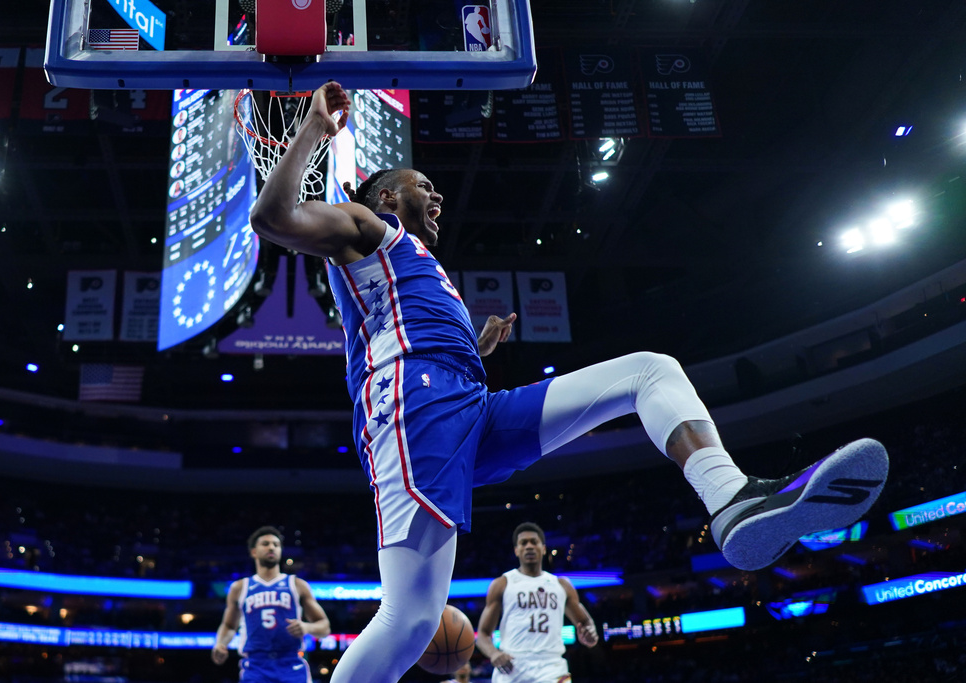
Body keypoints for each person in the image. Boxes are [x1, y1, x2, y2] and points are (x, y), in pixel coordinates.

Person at [247, 81, 889, 683]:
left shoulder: (421, 266)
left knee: (649, 371)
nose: (437, 197)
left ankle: (732, 500)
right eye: (424, 186)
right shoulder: (366, 229)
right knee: (411, 618)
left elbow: (412, 335)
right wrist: (312, 129)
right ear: (386, 198)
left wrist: (475, 347)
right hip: (416, 411)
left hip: (468, 406)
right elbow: (272, 219)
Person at [476, 523, 598, 683]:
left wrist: (590, 635)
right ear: (516, 550)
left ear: (544, 548)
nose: (529, 546)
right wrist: (494, 654)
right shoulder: (503, 583)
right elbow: (482, 635)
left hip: (552, 668)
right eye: (523, 543)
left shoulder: (562, 585)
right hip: (513, 667)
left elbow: (586, 623)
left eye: (534, 542)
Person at [211, 526, 331, 683]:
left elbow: (324, 626)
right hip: (255, 665)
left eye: (276, 544)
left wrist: (306, 627)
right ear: (253, 551)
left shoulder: (297, 584)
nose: (271, 547)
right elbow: (229, 626)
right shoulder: (240, 587)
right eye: (266, 544)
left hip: (290, 663)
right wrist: (220, 644)